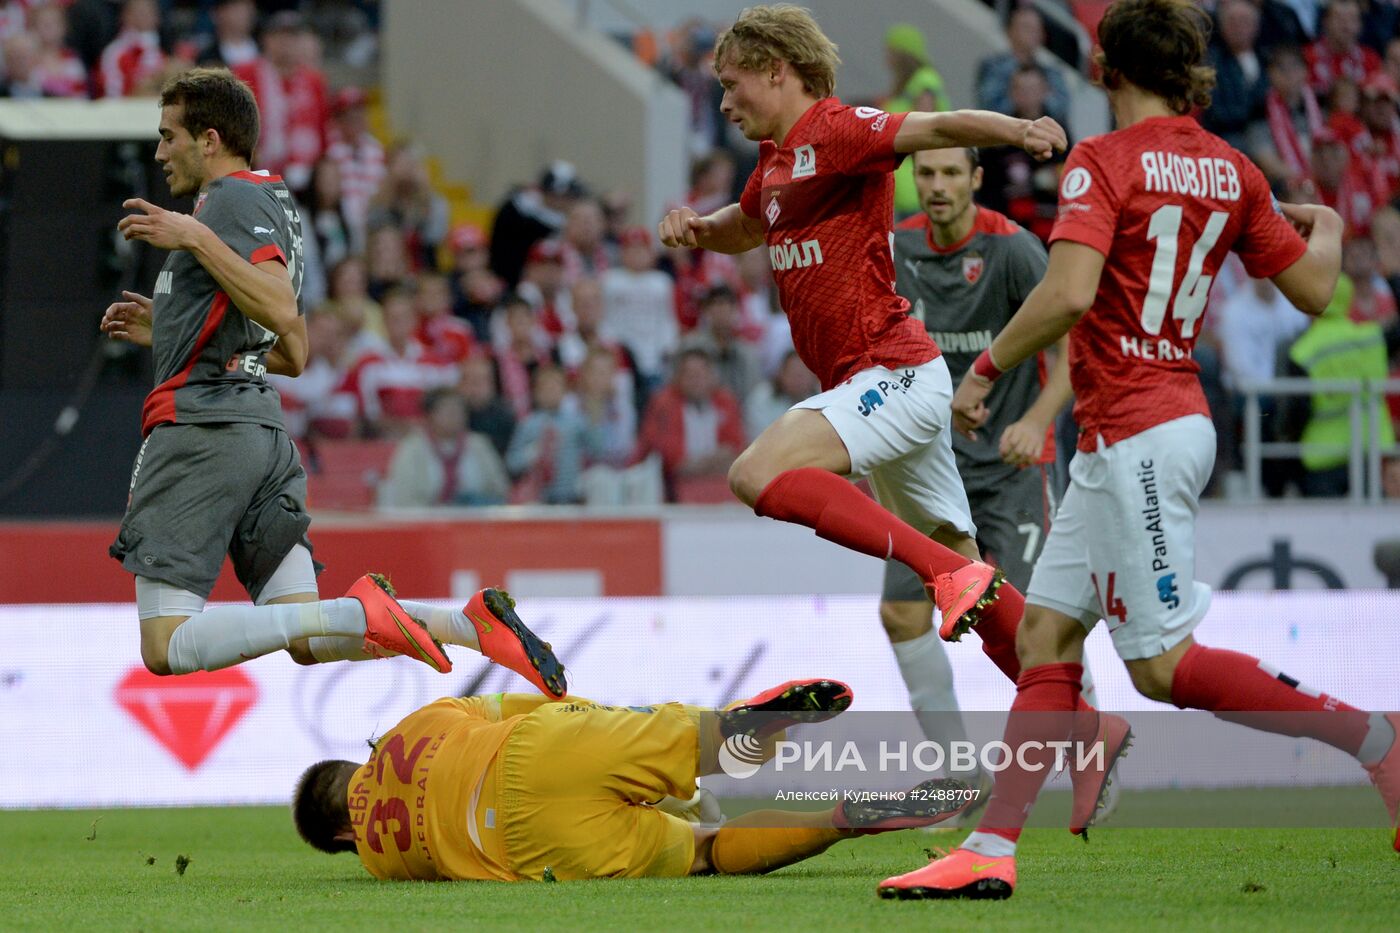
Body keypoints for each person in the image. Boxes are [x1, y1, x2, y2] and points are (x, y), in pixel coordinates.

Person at [886, 0, 1398, 900]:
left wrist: (985, 370)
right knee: (1046, 633)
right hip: (1142, 427)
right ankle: (990, 848)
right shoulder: (1231, 167)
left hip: (1142, 437)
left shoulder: (1104, 161)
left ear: (1102, 66)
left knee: (1161, 668)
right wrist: (1331, 225)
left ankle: (1375, 740)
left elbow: (1070, 290)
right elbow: (1317, 290)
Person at [98, 69, 559, 696]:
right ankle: (469, 625)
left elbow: (281, 312)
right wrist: (177, 331)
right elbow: (293, 352)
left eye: (167, 136)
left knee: (166, 645)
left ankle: (359, 609)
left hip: (200, 435)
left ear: (209, 140)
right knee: (310, 641)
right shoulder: (272, 204)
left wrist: (194, 235)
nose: (159, 152)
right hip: (260, 436)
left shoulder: (227, 203)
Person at [657, 4, 1066, 680]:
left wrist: (1016, 129)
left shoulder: (840, 130)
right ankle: (1083, 722)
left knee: (754, 473)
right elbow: (749, 224)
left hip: (892, 372)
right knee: (974, 580)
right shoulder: (775, 165)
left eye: (733, 84)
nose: (725, 102)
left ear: (777, 71)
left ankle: (943, 572)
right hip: (876, 382)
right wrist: (700, 228)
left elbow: (936, 126)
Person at [291, 677, 978, 881]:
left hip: (525, 844)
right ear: (358, 762)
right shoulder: (414, 726)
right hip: (532, 749)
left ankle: (842, 815)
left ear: (345, 831)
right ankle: (742, 730)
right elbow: (528, 703)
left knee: (708, 849)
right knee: (698, 738)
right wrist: (602, 724)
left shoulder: (379, 856)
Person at [885, 145, 1099, 790]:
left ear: (977, 180)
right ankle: (956, 769)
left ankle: (1091, 753)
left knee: (1041, 623)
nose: (938, 185)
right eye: (926, 173)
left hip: (1012, 470)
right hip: (929, 472)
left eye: (952, 173)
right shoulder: (895, 249)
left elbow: (1074, 350)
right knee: (901, 613)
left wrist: (1035, 421)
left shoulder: (1013, 251)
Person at [378, 388, 510, 507]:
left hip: (475, 524)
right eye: (447, 411)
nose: (454, 416)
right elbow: (403, 497)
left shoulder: (479, 445)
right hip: (425, 525)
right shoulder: (412, 448)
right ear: (430, 415)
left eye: (459, 411)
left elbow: (499, 490)